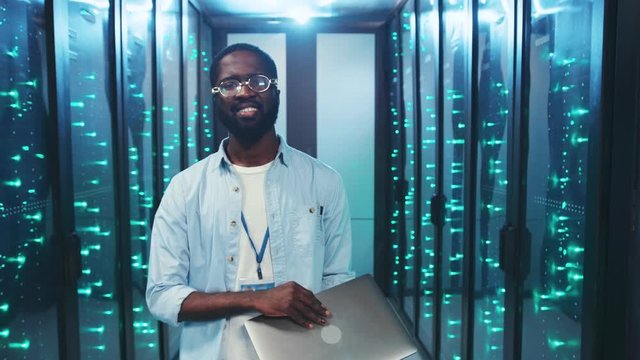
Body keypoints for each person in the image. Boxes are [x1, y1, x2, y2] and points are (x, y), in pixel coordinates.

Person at [146, 43, 354, 359]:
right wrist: (255, 300)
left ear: (276, 91)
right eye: (230, 84)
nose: (245, 92)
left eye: (258, 81)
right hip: (214, 351)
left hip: (301, 348)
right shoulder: (184, 188)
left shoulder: (323, 181)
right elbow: (162, 296)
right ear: (216, 98)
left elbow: (337, 279)